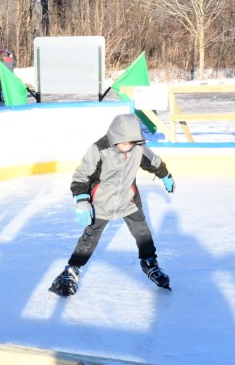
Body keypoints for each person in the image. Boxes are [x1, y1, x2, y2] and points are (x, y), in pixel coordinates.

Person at [49, 113, 175, 297]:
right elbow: (81, 176)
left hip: (128, 198)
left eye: (131, 143)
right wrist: (82, 199)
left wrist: (165, 175)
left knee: (143, 232)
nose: (127, 147)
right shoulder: (98, 150)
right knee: (90, 237)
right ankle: (72, 270)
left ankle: (150, 264)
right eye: (123, 143)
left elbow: (152, 162)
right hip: (101, 202)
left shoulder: (138, 148)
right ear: (115, 137)